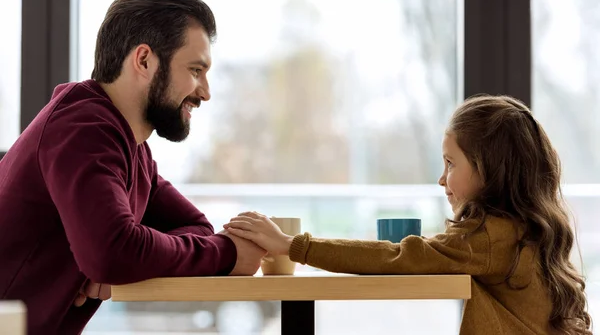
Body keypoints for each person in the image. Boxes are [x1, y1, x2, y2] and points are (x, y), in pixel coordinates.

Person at [0, 0, 265, 334]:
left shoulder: (131, 147)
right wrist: (228, 253)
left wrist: (119, 262)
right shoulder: (83, 129)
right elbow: (114, 252)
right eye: (195, 70)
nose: (205, 92)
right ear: (143, 60)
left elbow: (193, 228)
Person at [225, 95, 593, 335]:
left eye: (451, 163)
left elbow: (397, 256)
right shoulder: (525, 232)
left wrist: (292, 245)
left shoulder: (488, 237)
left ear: (490, 169)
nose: (441, 178)